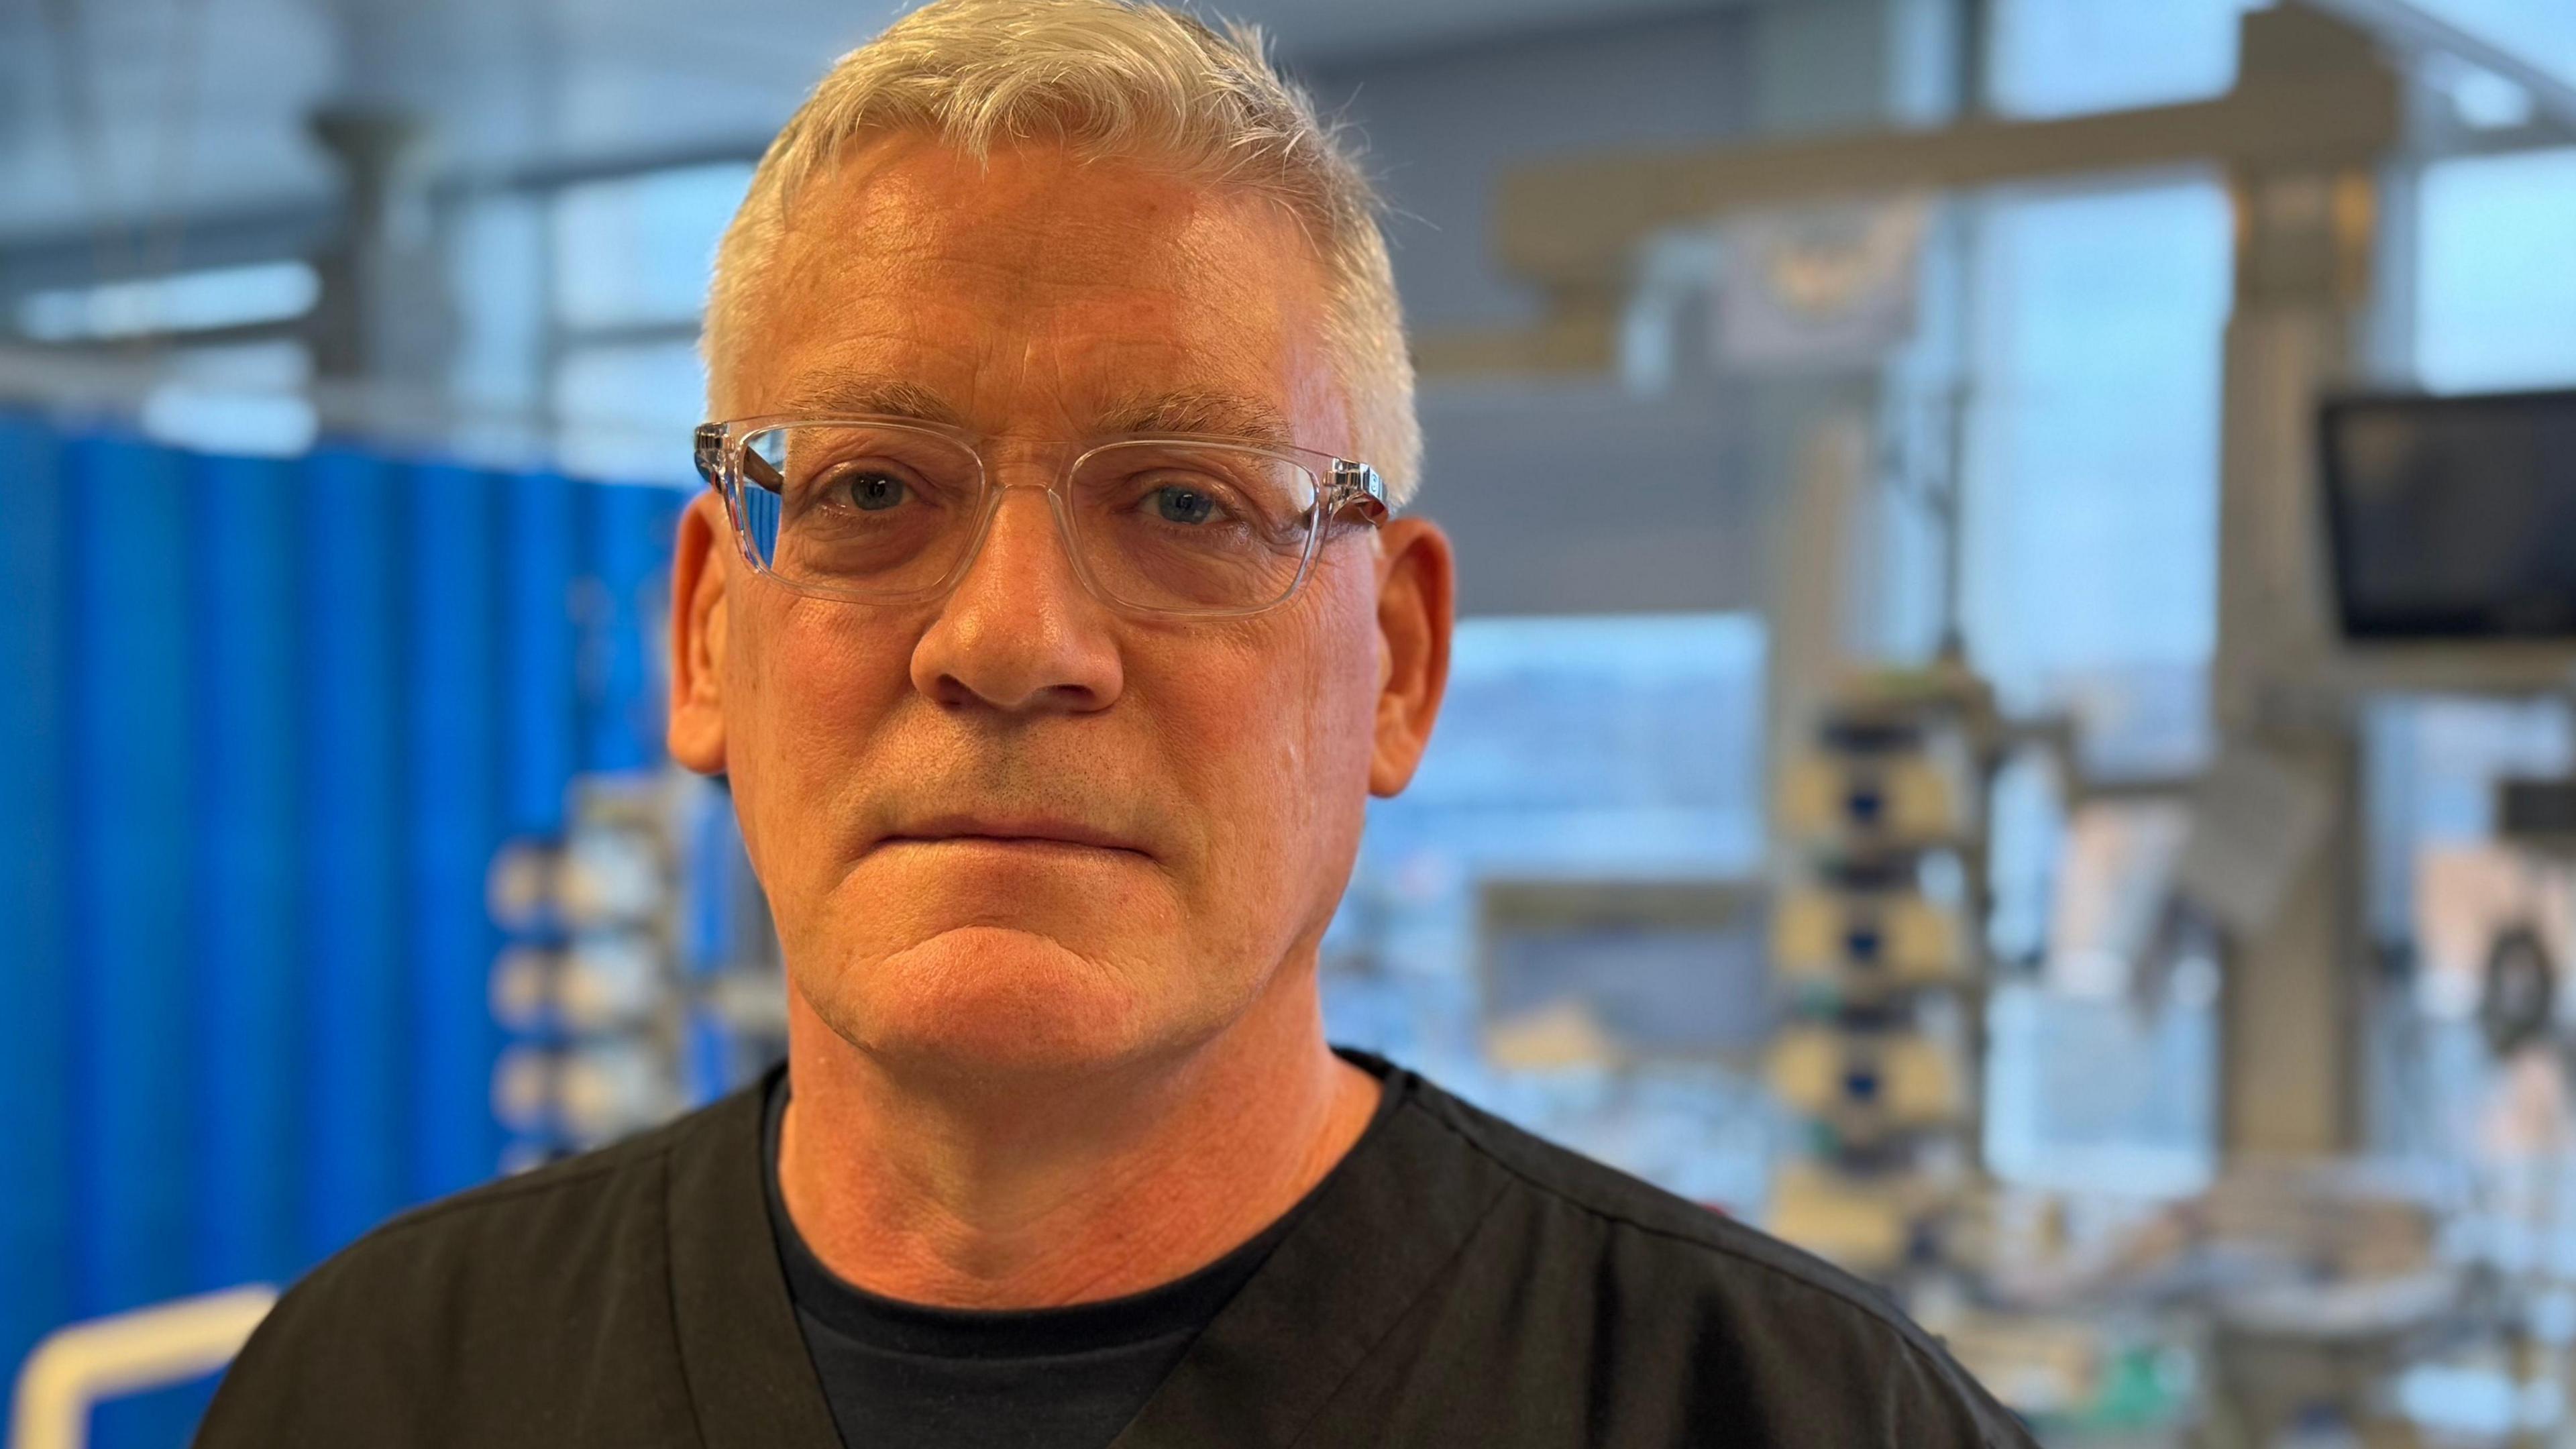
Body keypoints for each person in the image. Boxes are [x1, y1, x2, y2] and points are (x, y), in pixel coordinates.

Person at [196, 1, 2035, 1444]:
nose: (1009, 641)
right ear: (701, 637)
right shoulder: (381, 1387)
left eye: (1183, 504)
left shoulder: (1788, 1414)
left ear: (1394, 660)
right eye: (866, 495)